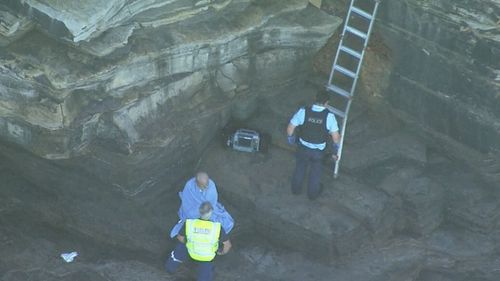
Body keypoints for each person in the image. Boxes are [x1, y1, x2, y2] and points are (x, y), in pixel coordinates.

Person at [286, 90, 341, 200]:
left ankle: (296, 190)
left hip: (302, 148)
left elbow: (290, 128)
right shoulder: (329, 117)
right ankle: (312, 194)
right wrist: (335, 151)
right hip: (318, 152)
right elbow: (336, 138)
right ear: (327, 103)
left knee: (300, 168)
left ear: (315, 99)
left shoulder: (303, 111)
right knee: (315, 173)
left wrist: (291, 139)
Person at [166, 201, 232, 281]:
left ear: (199, 211)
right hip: (207, 257)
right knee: (206, 272)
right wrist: (221, 252)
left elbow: (179, 237)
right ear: (211, 212)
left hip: (191, 251)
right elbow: (227, 245)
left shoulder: (189, 223)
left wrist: (188, 242)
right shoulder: (217, 228)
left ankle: (170, 267)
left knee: (180, 247)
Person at [170, 172, 234, 238]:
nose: (206, 187)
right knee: (191, 215)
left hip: (207, 208)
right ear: (197, 183)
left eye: (207, 184)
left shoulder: (211, 184)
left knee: (223, 221)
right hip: (194, 209)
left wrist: (205, 211)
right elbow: (187, 203)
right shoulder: (189, 186)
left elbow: (212, 202)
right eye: (203, 185)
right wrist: (199, 211)